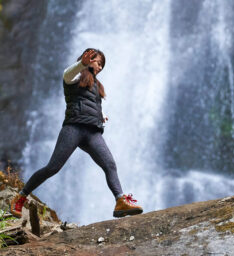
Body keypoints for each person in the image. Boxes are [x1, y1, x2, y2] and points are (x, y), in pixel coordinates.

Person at [10, 48, 143, 219]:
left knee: (109, 164)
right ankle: (20, 197)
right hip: (74, 128)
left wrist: (101, 115)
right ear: (87, 59)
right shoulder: (76, 76)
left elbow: (90, 103)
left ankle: (120, 201)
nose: (100, 67)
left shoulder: (97, 85)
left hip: (92, 132)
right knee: (53, 167)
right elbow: (66, 74)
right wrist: (82, 64)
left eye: (102, 64)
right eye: (98, 62)